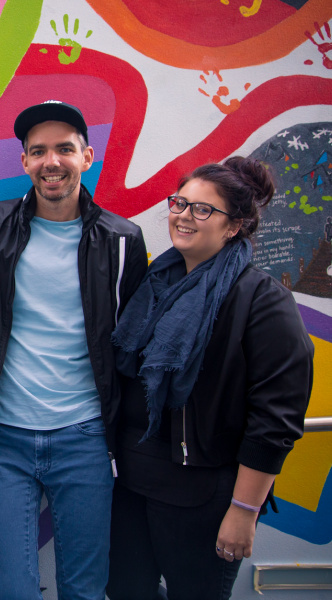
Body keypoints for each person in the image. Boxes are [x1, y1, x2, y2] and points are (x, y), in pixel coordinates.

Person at [0, 100, 148, 599]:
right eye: (38, 151)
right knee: (12, 589)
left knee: (84, 588)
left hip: (86, 438)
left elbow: (133, 346)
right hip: (2, 440)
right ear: (24, 162)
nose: (51, 161)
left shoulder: (123, 240)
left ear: (87, 156)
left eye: (64, 149)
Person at [107, 157, 313, 599]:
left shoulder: (261, 300)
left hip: (202, 496)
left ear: (234, 226)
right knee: (124, 591)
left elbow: (275, 419)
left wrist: (244, 510)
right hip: (129, 484)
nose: (183, 216)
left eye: (203, 209)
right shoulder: (151, 284)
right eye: (180, 203)